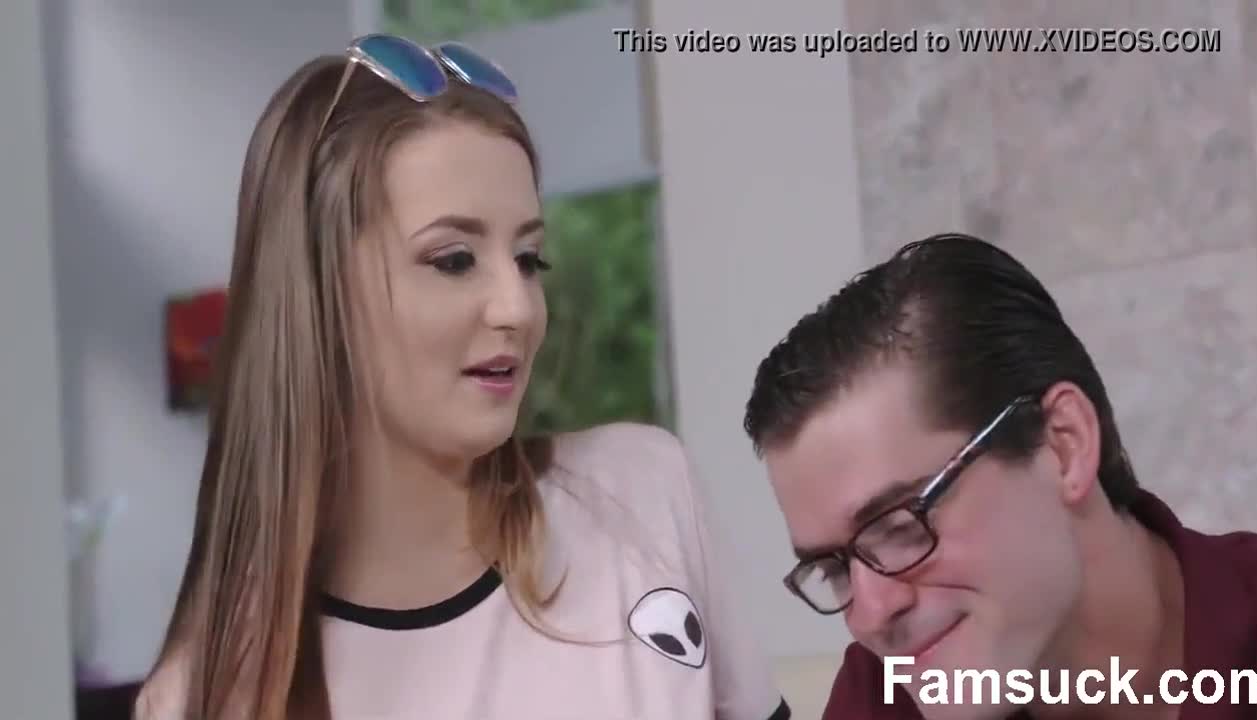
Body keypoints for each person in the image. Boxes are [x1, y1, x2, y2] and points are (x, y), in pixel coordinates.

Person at [134, 33, 790, 720]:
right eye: (454, 260)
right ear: (317, 295)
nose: (518, 308)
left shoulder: (643, 492)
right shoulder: (205, 697)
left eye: (529, 259)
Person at [741, 232, 1257, 720]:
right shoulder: (880, 698)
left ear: (1063, 445)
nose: (872, 616)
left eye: (901, 528)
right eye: (833, 570)